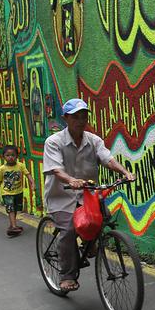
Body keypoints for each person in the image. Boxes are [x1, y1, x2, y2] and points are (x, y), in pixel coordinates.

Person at [41, 99, 134, 292]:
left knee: (103, 219)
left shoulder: (93, 140)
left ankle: (89, 244)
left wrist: (124, 172)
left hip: (88, 195)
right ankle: (66, 275)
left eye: (84, 116)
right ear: (66, 118)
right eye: (75, 116)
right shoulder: (54, 142)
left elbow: (107, 159)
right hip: (62, 196)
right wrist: (71, 180)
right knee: (68, 230)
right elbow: (56, 170)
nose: (81, 120)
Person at [0, 144, 32, 237]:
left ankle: (13, 225)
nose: (10, 157)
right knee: (11, 209)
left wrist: (32, 183)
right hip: (7, 193)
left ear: (17, 156)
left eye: (13, 155)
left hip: (18, 192)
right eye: (8, 155)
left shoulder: (20, 165)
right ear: (3, 156)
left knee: (15, 208)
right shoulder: (2, 168)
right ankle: (13, 226)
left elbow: (27, 174)